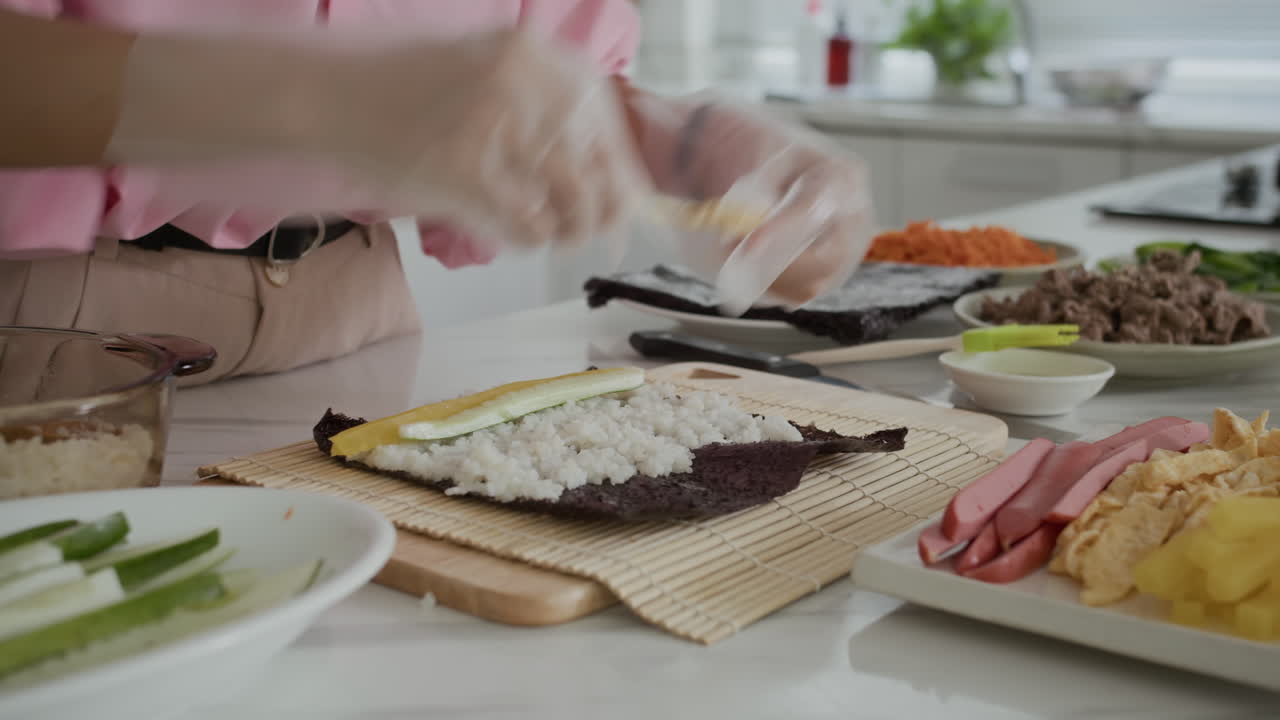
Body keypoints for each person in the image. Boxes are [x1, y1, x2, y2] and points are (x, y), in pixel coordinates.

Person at [0, 1, 874, 385]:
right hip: (63, 334)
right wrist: (322, 99)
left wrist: (685, 144)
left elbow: (536, 80)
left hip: (360, 322)